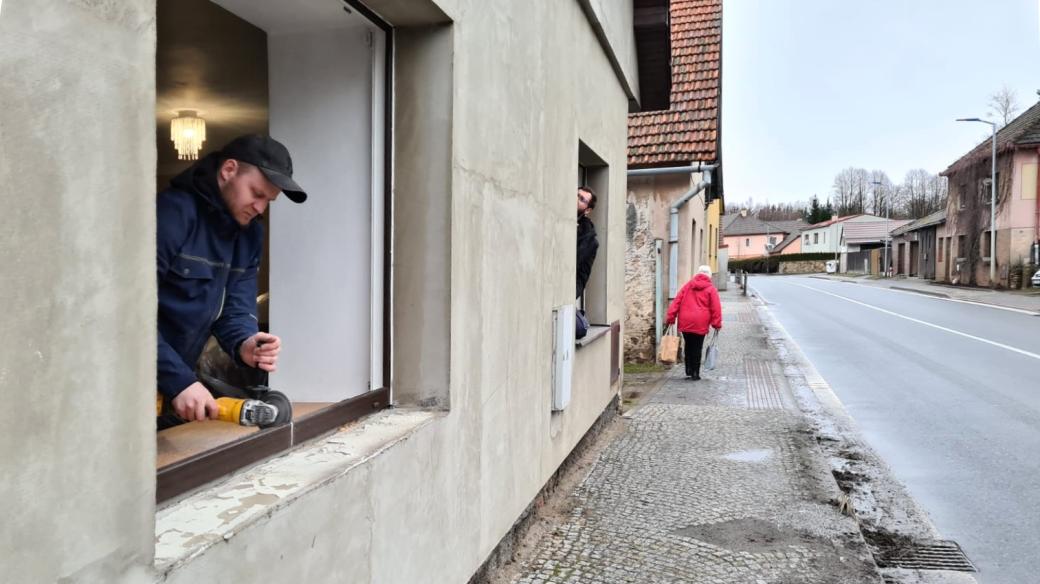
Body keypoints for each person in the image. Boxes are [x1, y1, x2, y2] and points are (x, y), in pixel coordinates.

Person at [156, 134, 307, 427]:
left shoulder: (249, 235)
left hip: (177, 390)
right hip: (132, 381)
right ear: (228, 171)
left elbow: (236, 308)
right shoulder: (172, 214)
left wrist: (245, 343)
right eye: (256, 193)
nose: (260, 208)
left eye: (269, 201)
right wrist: (180, 380)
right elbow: (128, 317)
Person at [665, 265, 722, 380]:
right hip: (700, 322)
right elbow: (716, 308)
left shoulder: (688, 286)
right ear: (709, 275)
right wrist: (716, 324)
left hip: (685, 321)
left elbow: (676, 302)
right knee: (697, 347)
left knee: (688, 345)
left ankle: (688, 369)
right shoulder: (711, 289)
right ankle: (695, 373)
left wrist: (670, 317)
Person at [576, 186, 599, 299]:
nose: (576, 199)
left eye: (581, 199)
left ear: (587, 210)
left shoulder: (589, 240)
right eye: (576, 195)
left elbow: (581, 277)